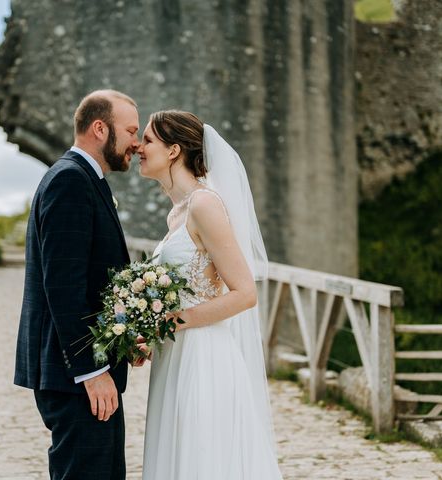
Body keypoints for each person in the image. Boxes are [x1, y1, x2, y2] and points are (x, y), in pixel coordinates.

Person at [137, 110, 283, 479]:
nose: (139, 147)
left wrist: (171, 322)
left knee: (203, 459)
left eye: (148, 140)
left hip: (204, 356)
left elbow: (245, 292)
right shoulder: (177, 214)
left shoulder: (205, 204)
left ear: (173, 151)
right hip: (175, 352)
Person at [14, 89, 140, 480]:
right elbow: (63, 286)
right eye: (131, 130)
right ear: (100, 128)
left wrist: (125, 337)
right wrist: (90, 371)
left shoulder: (85, 178)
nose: (136, 142)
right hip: (74, 377)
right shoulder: (70, 180)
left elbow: (92, 279)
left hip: (80, 373)